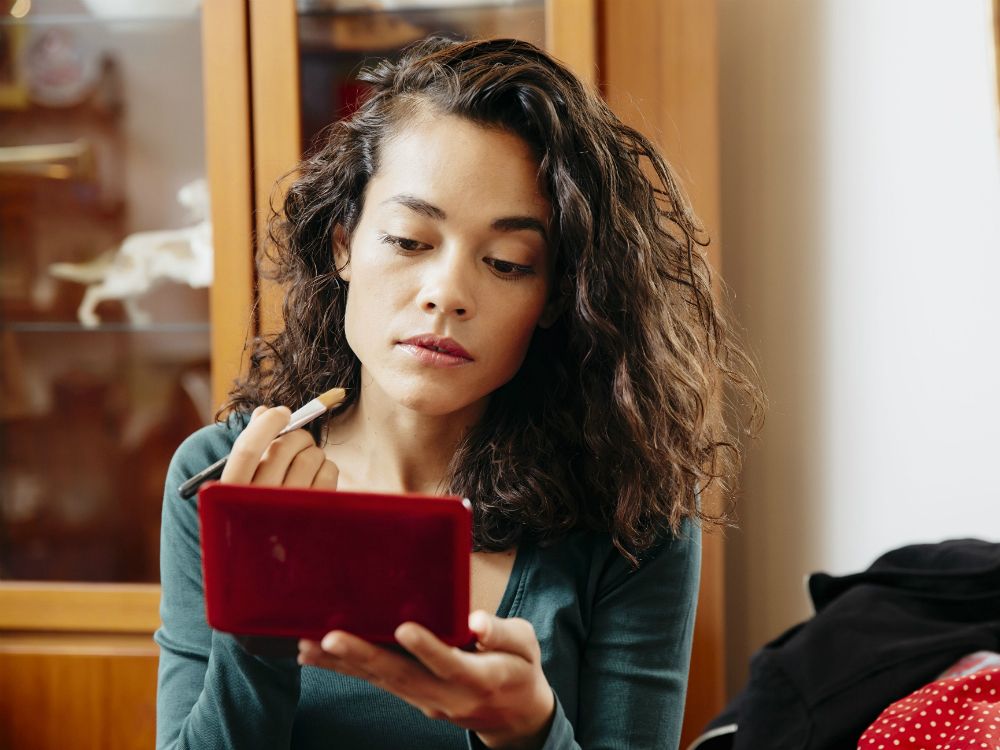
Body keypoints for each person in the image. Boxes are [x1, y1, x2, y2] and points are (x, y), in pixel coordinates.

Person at [154, 36, 762, 750]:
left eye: (506, 263)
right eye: (411, 240)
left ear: (558, 295)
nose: (446, 295)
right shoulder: (224, 480)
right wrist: (255, 623)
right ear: (344, 241)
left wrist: (529, 730)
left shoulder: (632, 514)